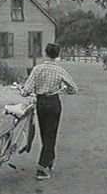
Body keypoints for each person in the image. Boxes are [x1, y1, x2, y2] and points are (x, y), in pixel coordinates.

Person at [22, 43, 78, 180]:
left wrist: (26, 92)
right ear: (57, 55)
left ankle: (49, 159)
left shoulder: (37, 69)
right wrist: (62, 90)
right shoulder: (59, 70)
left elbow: (26, 90)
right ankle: (42, 168)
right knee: (51, 134)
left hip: (41, 103)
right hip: (54, 102)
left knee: (44, 133)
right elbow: (74, 89)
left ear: (45, 53)